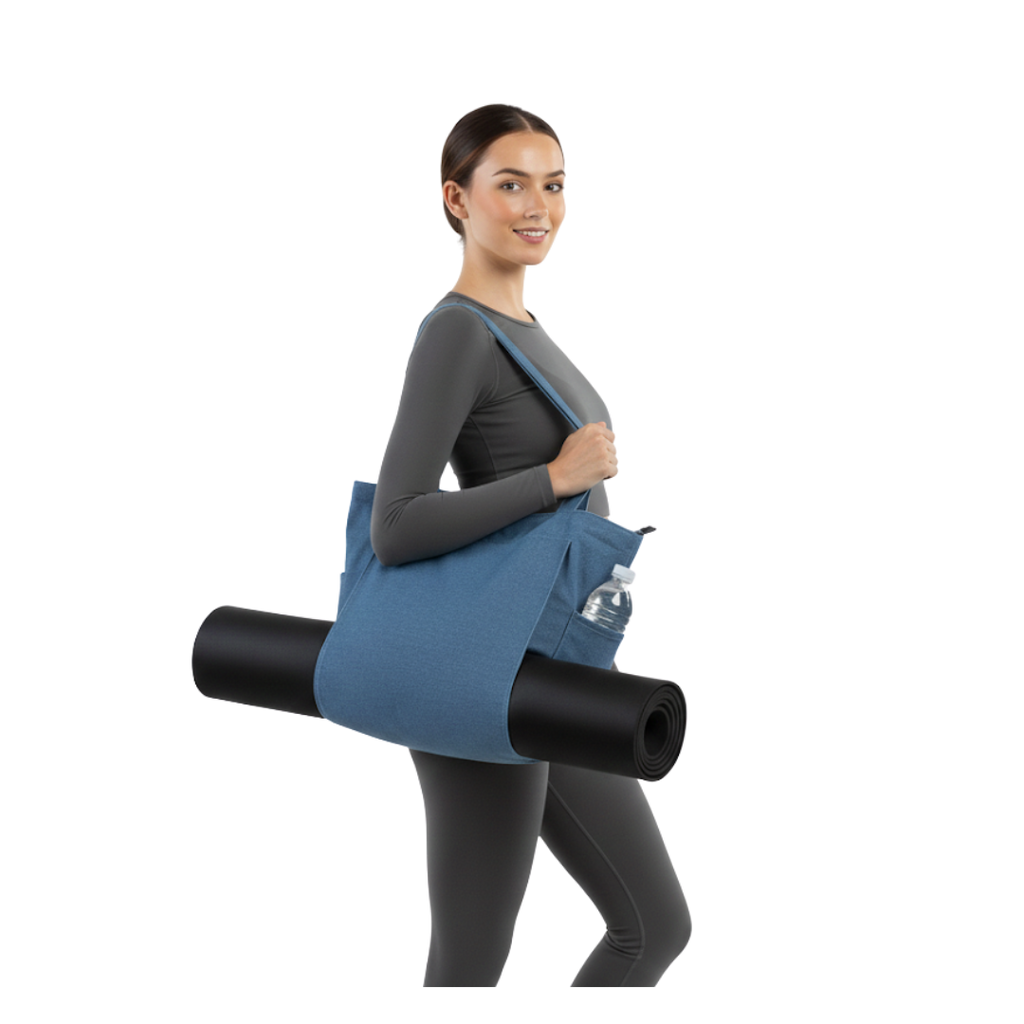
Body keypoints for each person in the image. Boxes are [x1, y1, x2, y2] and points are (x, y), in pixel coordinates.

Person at [372, 101, 694, 989]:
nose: (538, 206)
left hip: (555, 664)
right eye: (510, 184)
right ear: (456, 197)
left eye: (554, 185)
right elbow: (396, 527)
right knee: (472, 966)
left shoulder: (528, 329)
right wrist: (554, 478)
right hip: (485, 675)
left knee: (655, 926)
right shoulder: (455, 331)